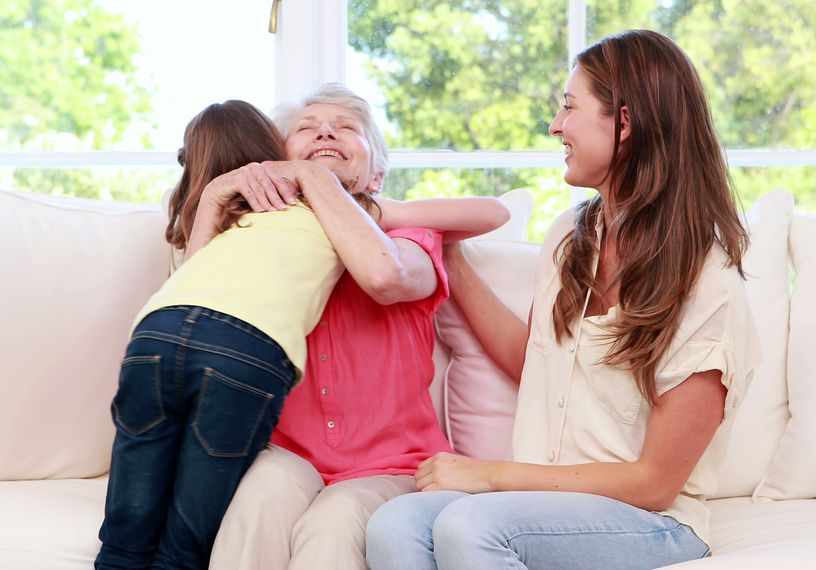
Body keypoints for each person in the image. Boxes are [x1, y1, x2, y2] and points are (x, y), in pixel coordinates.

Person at [366, 29, 762, 570]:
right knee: (395, 527)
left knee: (471, 526)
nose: (556, 126)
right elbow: (535, 357)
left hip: (652, 522)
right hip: (543, 507)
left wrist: (491, 474)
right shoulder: (572, 235)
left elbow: (655, 483)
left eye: (570, 107)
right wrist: (451, 263)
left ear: (625, 124)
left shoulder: (708, 284)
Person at [198, 84, 510, 570]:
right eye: (306, 128)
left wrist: (340, 195)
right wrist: (213, 197)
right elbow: (200, 314)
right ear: (275, 166)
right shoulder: (265, 244)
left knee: (338, 520)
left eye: (346, 127)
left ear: (377, 173)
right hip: (289, 454)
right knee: (260, 495)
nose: (325, 130)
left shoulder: (409, 239)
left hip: (396, 466)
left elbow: (386, 276)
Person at [94, 99, 377, 570]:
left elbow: (193, 268)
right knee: (186, 542)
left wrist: (211, 196)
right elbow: (478, 214)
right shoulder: (334, 206)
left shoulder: (219, 216)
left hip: (156, 331)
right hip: (247, 347)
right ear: (275, 149)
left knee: (125, 537)